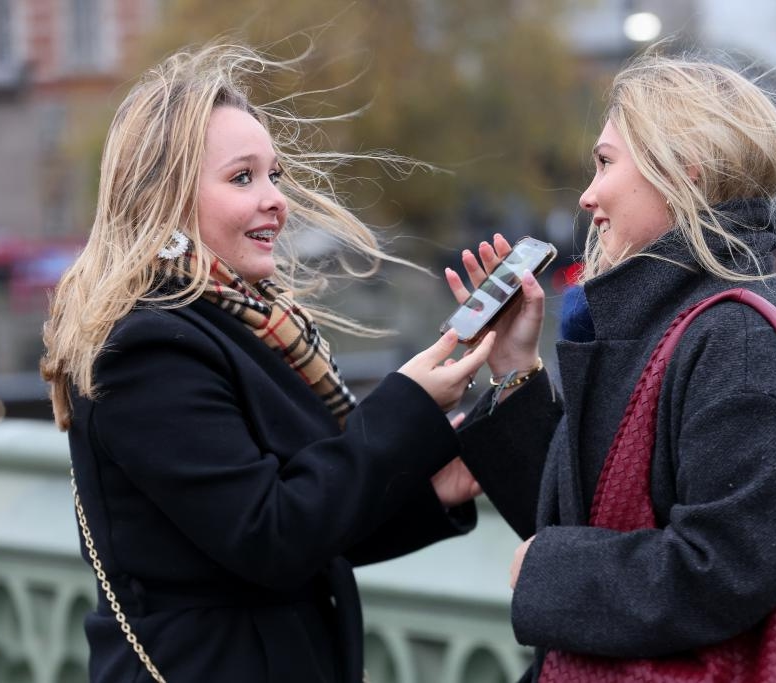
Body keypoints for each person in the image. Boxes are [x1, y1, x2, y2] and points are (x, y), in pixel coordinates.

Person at [40, 43, 493, 682]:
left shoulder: (246, 325)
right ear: (163, 199)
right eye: (242, 177)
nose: (276, 199)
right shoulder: (144, 347)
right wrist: (406, 407)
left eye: (273, 175)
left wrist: (429, 489)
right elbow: (270, 537)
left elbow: (314, 525)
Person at [447, 53, 776, 681]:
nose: (588, 193)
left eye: (605, 163)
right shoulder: (674, 319)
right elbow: (586, 519)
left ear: (680, 169)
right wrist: (515, 366)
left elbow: (734, 559)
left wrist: (554, 571)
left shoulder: (732, 336)